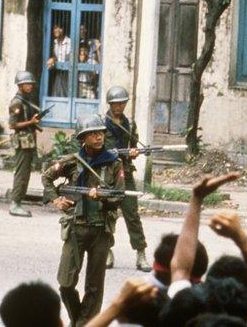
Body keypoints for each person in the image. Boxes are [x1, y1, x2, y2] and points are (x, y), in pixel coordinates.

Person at [42, 114, 123, 326]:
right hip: (76, 227)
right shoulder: (72, 161)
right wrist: (56, 200)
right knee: (65, 283)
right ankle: (79, 318)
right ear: (83, 138)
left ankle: (84, 323)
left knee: (94, 287)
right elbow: (47, 176)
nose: (99, 137)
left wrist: (103, 196)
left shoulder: (114, 163)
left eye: (101, 133)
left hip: (101, 229)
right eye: (93, 134)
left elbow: (119, 195)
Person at [101, 85, 149, 272]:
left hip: (125, 172)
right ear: (110, 104)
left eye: (122, 103)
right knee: (107, 214)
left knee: (132, 214)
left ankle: (141, 253)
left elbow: (133, 145)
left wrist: (133, 153)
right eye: (116, 104)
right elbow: (99, 149)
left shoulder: (130, 124)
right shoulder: (102, 123)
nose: (119, 106)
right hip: (108, 174)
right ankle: (107, 250)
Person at [8, 71, 41, 218]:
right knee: (21, 173)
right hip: (22, 142)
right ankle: (15, 203)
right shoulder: (17, 102)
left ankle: (18, 201)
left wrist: (33, 122)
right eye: (27, 84)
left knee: (25, 173)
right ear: (20, 85)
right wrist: (31, 122)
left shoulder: (25, 100)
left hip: (28, 141)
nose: (30, 86)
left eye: (31, 84)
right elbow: (12, 124)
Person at [47, 24, 72, 97]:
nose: (56, 30)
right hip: (58, 72)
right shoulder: (54, 42)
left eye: (58, 28)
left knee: (67, 93)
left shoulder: (70, 42)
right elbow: (55, 56)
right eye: (54, 28)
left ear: (63, 29)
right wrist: (53, 59)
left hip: (68, 73)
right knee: (57, 93)